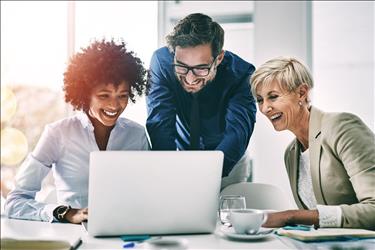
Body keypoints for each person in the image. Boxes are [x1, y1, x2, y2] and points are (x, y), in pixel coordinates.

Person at [4, 39, 150, 224]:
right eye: (104, 96)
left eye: (123, 96)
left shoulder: (136, 135)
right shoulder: (58, 133)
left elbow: (148, 193)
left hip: (127, 230)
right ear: (84, 94)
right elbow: (15, 202)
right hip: (75, 235)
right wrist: (67, 213)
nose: (114, 105)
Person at [250, 56, 375, 230]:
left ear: (301, 93)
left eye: (273, 97)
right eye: (260, 100)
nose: (264, 108)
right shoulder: (291, 154)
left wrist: (290, 216)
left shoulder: (342, 127)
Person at [146, 13, 257, 188]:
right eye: (182, 67)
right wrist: (166, 169)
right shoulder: (161, 62)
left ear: (218, 58)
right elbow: (160, 123)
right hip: (179, 156)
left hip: (228, 161)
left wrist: (204, 177)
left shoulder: (243, 75)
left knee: (224, 212)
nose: (190, 79)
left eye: (201, 68)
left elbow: (237, 134)